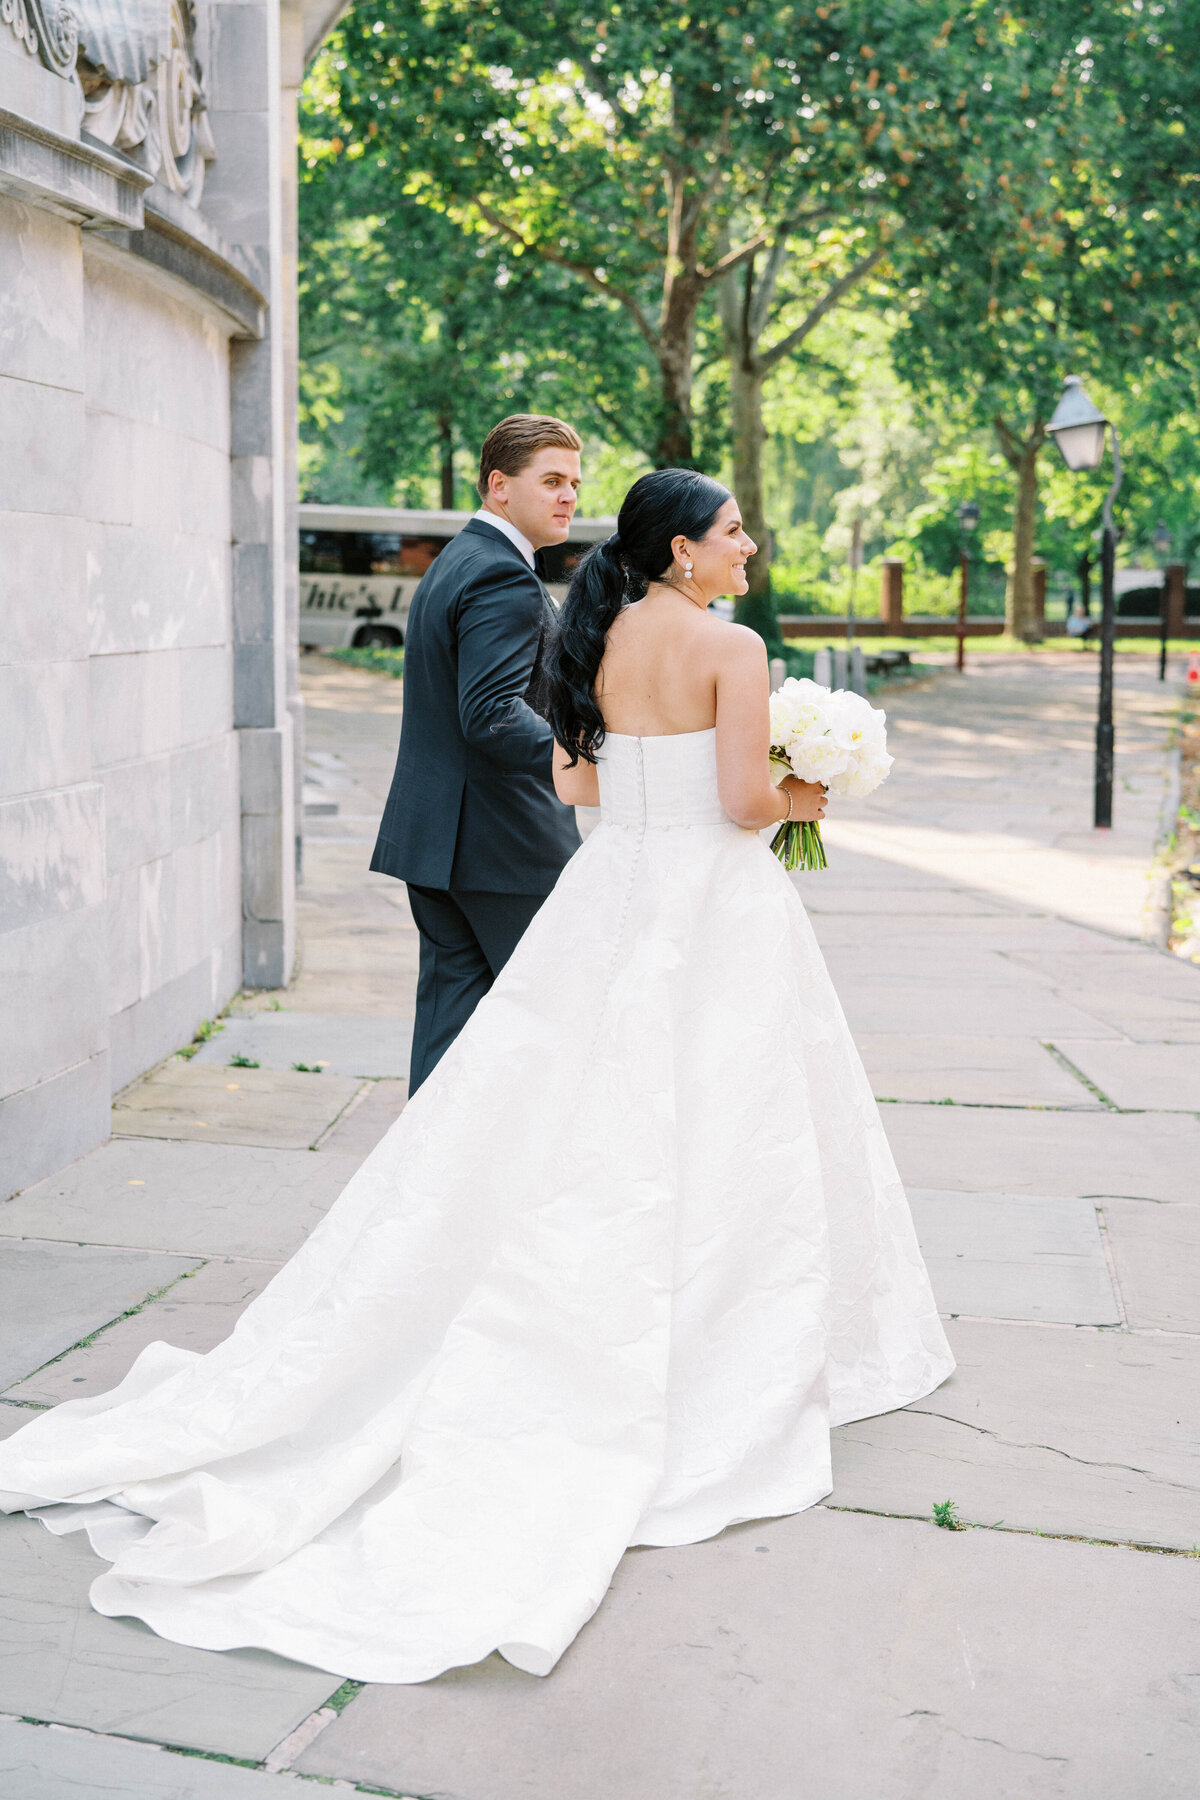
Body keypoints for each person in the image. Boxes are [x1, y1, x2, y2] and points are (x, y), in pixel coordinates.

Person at [0, 469, 954, 1686]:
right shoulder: (731, 644)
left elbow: (575, 782)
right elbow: (740, 801)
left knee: (566, 1113)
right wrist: (813, 788)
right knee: (726, 1117)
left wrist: (734, 780)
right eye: (732, 533)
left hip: (613, 891)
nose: (750, 545)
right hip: (709, 906)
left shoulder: (599, 633)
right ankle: (718, 1342)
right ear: (680, 550)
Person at [371, 414, 583, 1092]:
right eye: (551, 480)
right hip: (502, 847)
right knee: (556, 1025)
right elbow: (490, 715)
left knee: (451, 1028)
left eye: (574, 483)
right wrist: (585, 759)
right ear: (499, 486)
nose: (569, 496)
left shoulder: (458, 560)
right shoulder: (502, 577)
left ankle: (423, 1186)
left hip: (439, 842)